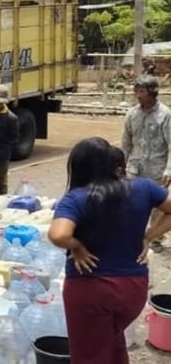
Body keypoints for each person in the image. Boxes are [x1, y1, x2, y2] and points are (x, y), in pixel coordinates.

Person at [49, 137, 171, 364]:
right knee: (112, 342)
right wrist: (149, 236)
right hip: (133, 289)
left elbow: (58, 235)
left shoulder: (77, 198)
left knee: (90, 354)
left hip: (91, 289)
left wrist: (77, 246)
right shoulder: (143, 187)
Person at [121, 75, 171, 252]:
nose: (138, 95)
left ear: (152, 92)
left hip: (157, 169)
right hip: (134, 168)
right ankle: (133, 235)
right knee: (131, 202)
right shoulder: (132, 114)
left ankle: (154, 238)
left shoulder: (165, 115)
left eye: (142, 91)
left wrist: (169, 169)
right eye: (136, 91)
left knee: (158, 205)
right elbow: (126, 143)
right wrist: (120, 165)